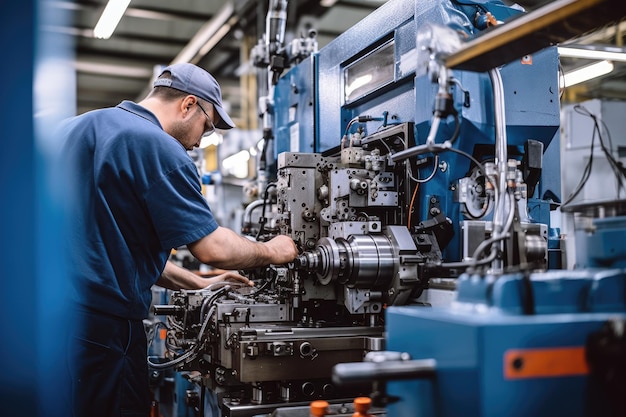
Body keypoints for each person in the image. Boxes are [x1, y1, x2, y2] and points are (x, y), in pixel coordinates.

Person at [57, 63, 298, 417]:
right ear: (188, 105)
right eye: (207, 125)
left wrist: (199, 282)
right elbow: (212, 247)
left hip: (48, 319)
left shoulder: (78, 127)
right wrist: (275, 250)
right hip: (101, 331)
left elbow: (115, 247)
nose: (202, 140)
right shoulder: (159, 148)